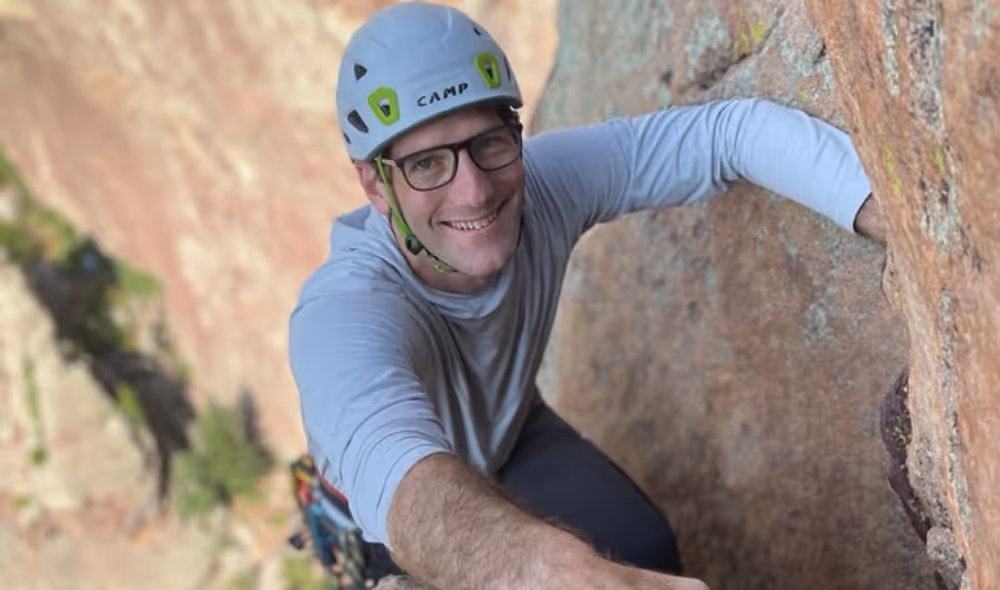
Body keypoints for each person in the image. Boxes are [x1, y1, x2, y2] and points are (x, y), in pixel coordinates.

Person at [288, 3, 885, 589]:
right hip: (383, 529)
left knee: (644, 548)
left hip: (511, 432)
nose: (473, 190)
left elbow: (723, 135)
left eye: (489, 142)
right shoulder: (343, 313)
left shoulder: (542, 187)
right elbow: (402, 483)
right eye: (426, 164)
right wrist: (553, 571)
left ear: (514, 133)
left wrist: (890, 207)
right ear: (375, 182)